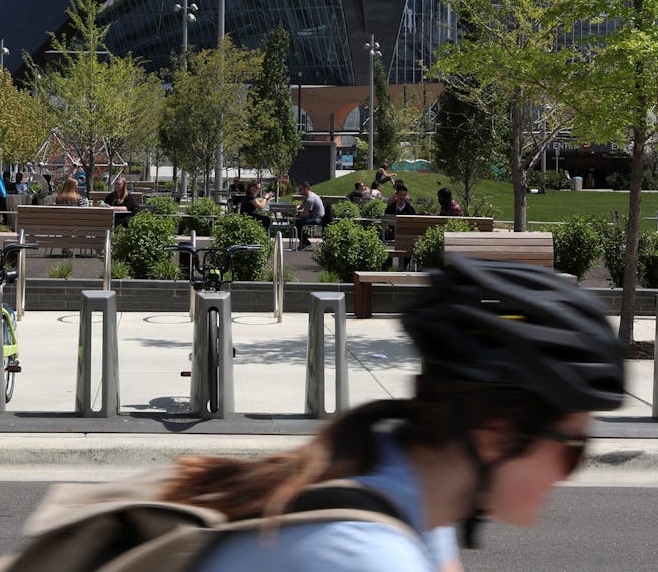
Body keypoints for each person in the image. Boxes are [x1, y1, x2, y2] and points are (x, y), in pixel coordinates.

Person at [178, 256, 626, 571]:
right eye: (572, 448)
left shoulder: (413, 494)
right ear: (496, 434)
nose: (569, 474)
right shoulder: (368, 556)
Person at [294, 181, 325, 250]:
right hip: (314, 217)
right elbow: (301, 207)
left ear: (306, 188)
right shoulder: (308, 196)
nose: (299, 191)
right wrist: (293, 208)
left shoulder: (310, 199)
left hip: (318, 219)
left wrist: (295, 216)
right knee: (298, 222)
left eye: (300, 189)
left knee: (297, 223)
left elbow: (304, 214)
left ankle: (305, 243)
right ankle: (304, 242)